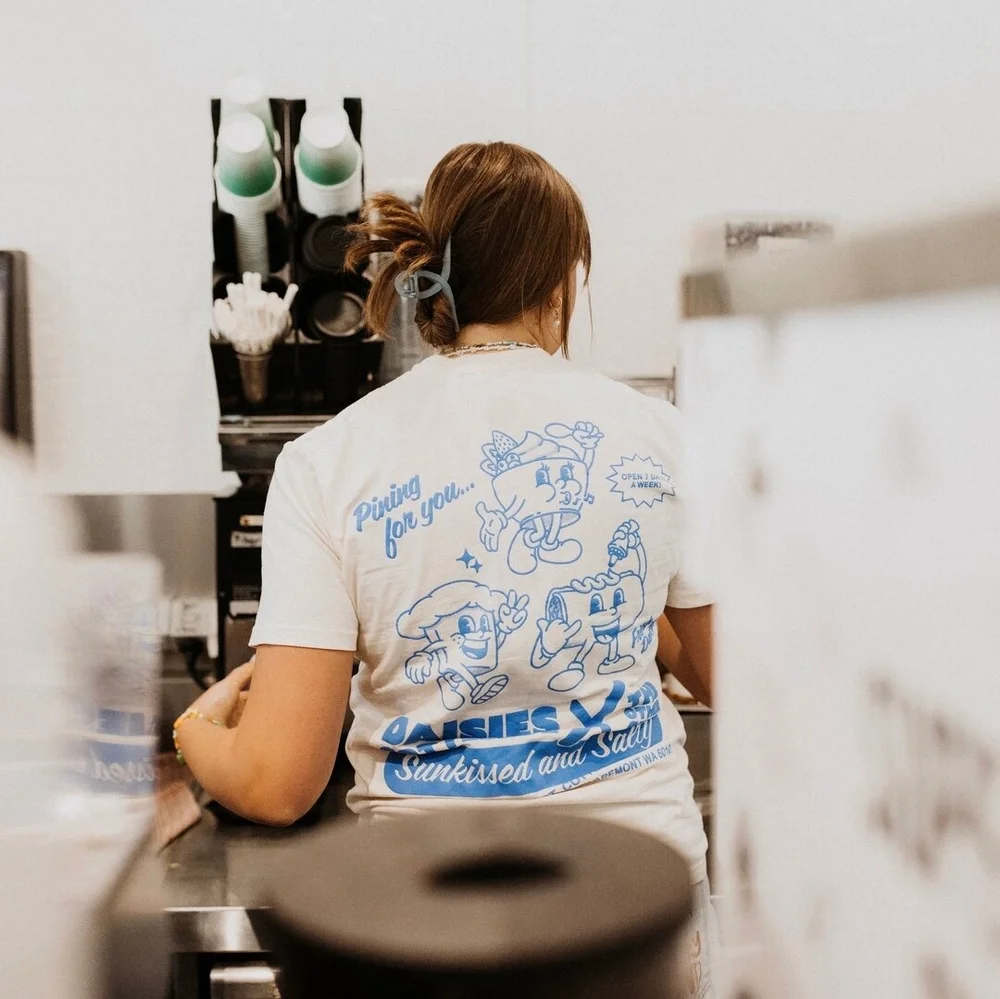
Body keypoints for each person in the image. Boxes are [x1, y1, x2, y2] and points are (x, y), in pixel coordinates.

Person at [175, 141, 716, 995]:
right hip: (633, 906)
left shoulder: (329, 459)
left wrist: (194, 732)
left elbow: (278, 781)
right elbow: (730, 677)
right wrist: (633, 613)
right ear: (563, 279)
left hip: (418, 918)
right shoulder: (659, 433)